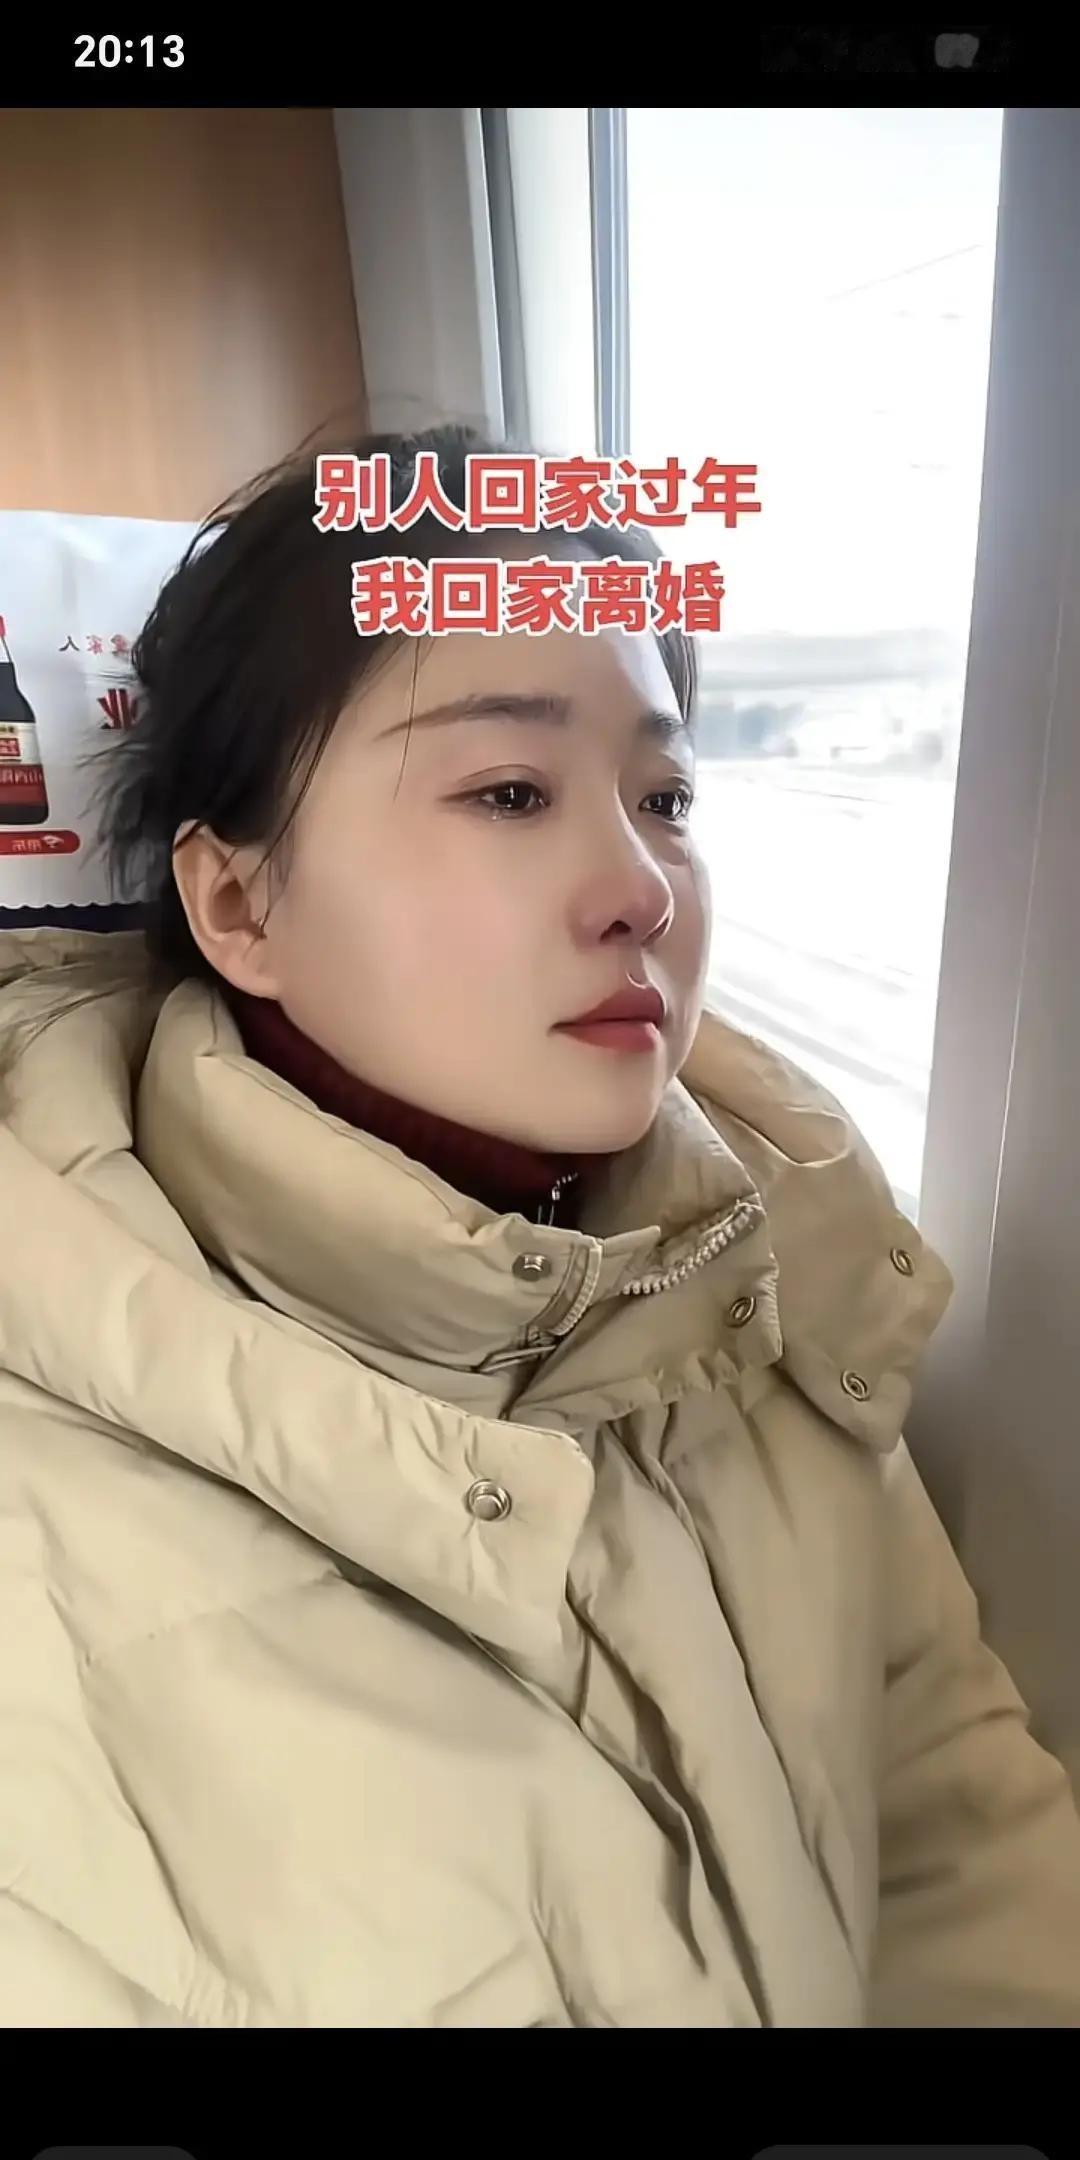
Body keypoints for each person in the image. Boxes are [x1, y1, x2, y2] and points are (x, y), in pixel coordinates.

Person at [1, 424, 1079, 2030]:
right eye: (509, 791)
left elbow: (960, 1846)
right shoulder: (41, 1527)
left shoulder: (765, 1282)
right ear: (238, 903)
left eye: (666, 796)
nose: (639, 885)